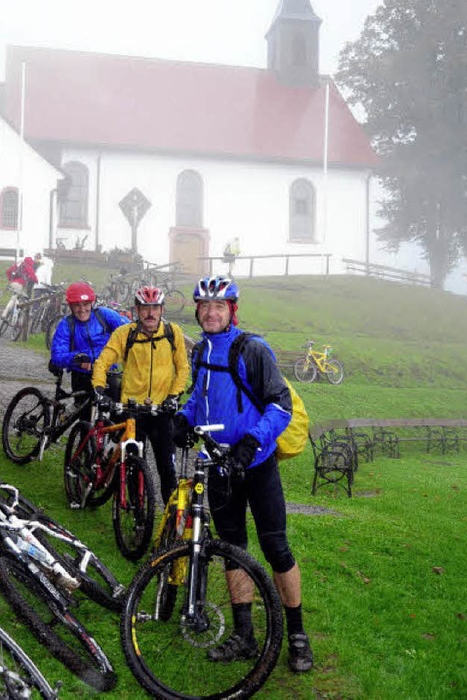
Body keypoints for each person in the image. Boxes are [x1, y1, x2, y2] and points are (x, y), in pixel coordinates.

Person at [174, 275, 313, 673]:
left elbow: (280, 405)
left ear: (232, 311)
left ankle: (298, 636)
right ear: (198, 310)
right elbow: (198, 401)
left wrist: (252, 442)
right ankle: (245, 636)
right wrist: (184, 421)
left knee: (276, 548)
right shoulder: (201, 350)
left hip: (256, 465)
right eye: (204, 306)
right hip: (219, 467)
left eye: (219, 306)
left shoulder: (252, 350)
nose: (211, 312)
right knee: (233, 549)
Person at [91, 285, 189, 504]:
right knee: (133, 467)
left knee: (168, 471)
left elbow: (182, 368)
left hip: (161, 411)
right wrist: (99, 388)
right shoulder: (125, 334)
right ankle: (137, 518)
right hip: (131, 411)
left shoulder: (173, 333)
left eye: (155, 307)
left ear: (162, 309)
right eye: (145, 308)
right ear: (136, 310)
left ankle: (171, 526)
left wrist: (174, 395)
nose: (150, 313)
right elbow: (103, 362)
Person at [50, 282, 129, 395]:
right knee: (83, 411)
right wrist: (76, 358)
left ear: (92, 303)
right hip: (82, 375)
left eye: (85, 304)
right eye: (77, 305)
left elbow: (130, 330)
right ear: (71, 306)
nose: (82, 309)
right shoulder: (66, 325)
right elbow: (57, 356)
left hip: (109, 372)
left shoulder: (104, 314)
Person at [2, 253, 41, 319]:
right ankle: (5, 314)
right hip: (19, 284)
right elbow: (32, 275)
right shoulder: (28, 265)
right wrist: (36, 281)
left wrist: (11, 279)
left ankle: (14, 310)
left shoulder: (19, 264)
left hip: (12, 283)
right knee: (16, 298)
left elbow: (8, 271)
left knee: (17, 296)